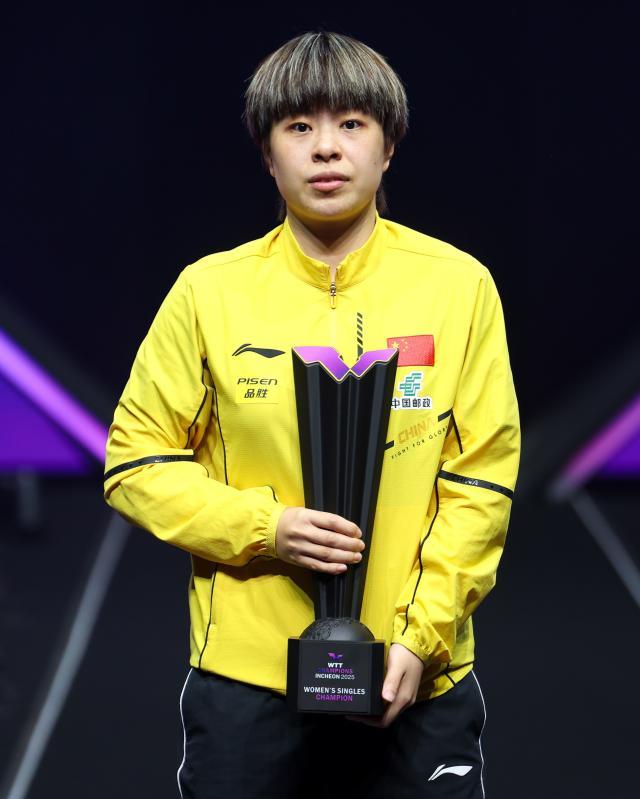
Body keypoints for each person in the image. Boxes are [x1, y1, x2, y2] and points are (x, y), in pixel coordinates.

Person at [104, 31, 520, 799]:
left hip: (417, 675)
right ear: (268, 154)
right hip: (248, 683)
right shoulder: (209, 291)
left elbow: (481, 482)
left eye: (351, 123)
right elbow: (135, 463)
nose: (326, 147)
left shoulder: (460, 286)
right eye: (299, 126)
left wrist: (421, 640)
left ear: (388, 147)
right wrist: (268, 527)